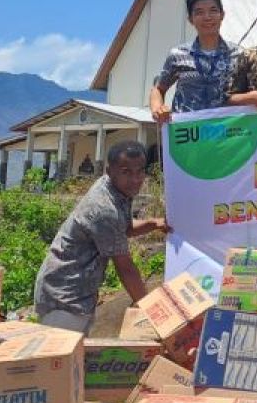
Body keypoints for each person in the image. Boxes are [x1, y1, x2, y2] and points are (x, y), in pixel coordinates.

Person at [33, 140, 169, 334]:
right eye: (126, 172)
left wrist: (153, 223)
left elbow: (122, 230)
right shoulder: (104, 208)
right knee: (63, 359)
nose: (135, 179)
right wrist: (154, 312)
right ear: (109, 171)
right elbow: (125, 268)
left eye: (140, 171)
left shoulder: (115, 190)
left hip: (78, 294)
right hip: (64, 297)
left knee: (76, 359)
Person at [150, 0, 237, 121]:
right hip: (187, 133)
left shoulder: (239, 54)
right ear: (190, 19)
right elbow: (158, 89)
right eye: (199, 12)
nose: (207, 17)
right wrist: (158, 109)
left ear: (222, 15)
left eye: (213, 11)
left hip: (227, 133)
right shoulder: (177, 55)